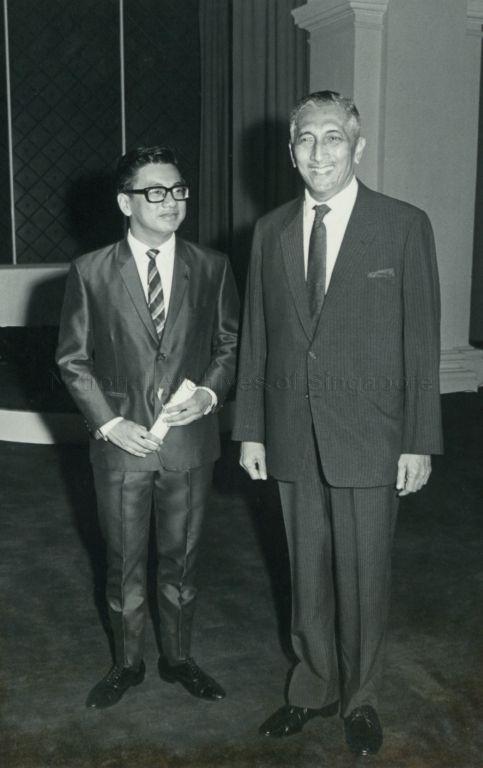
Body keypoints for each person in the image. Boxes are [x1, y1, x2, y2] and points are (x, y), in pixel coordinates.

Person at [232, 91, 443, 756]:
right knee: (307, 574)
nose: (317, 152)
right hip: (291, 432)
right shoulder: (268, 231)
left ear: (356, 147)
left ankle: (361, 697)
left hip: (372, 435)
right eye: (304, 140)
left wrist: (418, 440)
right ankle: (312, 686)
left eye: (331, 138)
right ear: (291, 151)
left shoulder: (402, 225)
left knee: (363, 573)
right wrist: (251, 430)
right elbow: (257, 340)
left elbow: (420, 341)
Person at [57, 145, 239, 709]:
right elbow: (72, 359)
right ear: (124, 202)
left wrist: (209, 392)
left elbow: (229, 343)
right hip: (121, 446)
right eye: (155, 192)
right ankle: (126, 663)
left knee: (182, 563)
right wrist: (108, 423)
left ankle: (179, 658)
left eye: (178, 190)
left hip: (188, 444)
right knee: (124, 564)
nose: (171, 202)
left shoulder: (212, 266)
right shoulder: (90, 271)